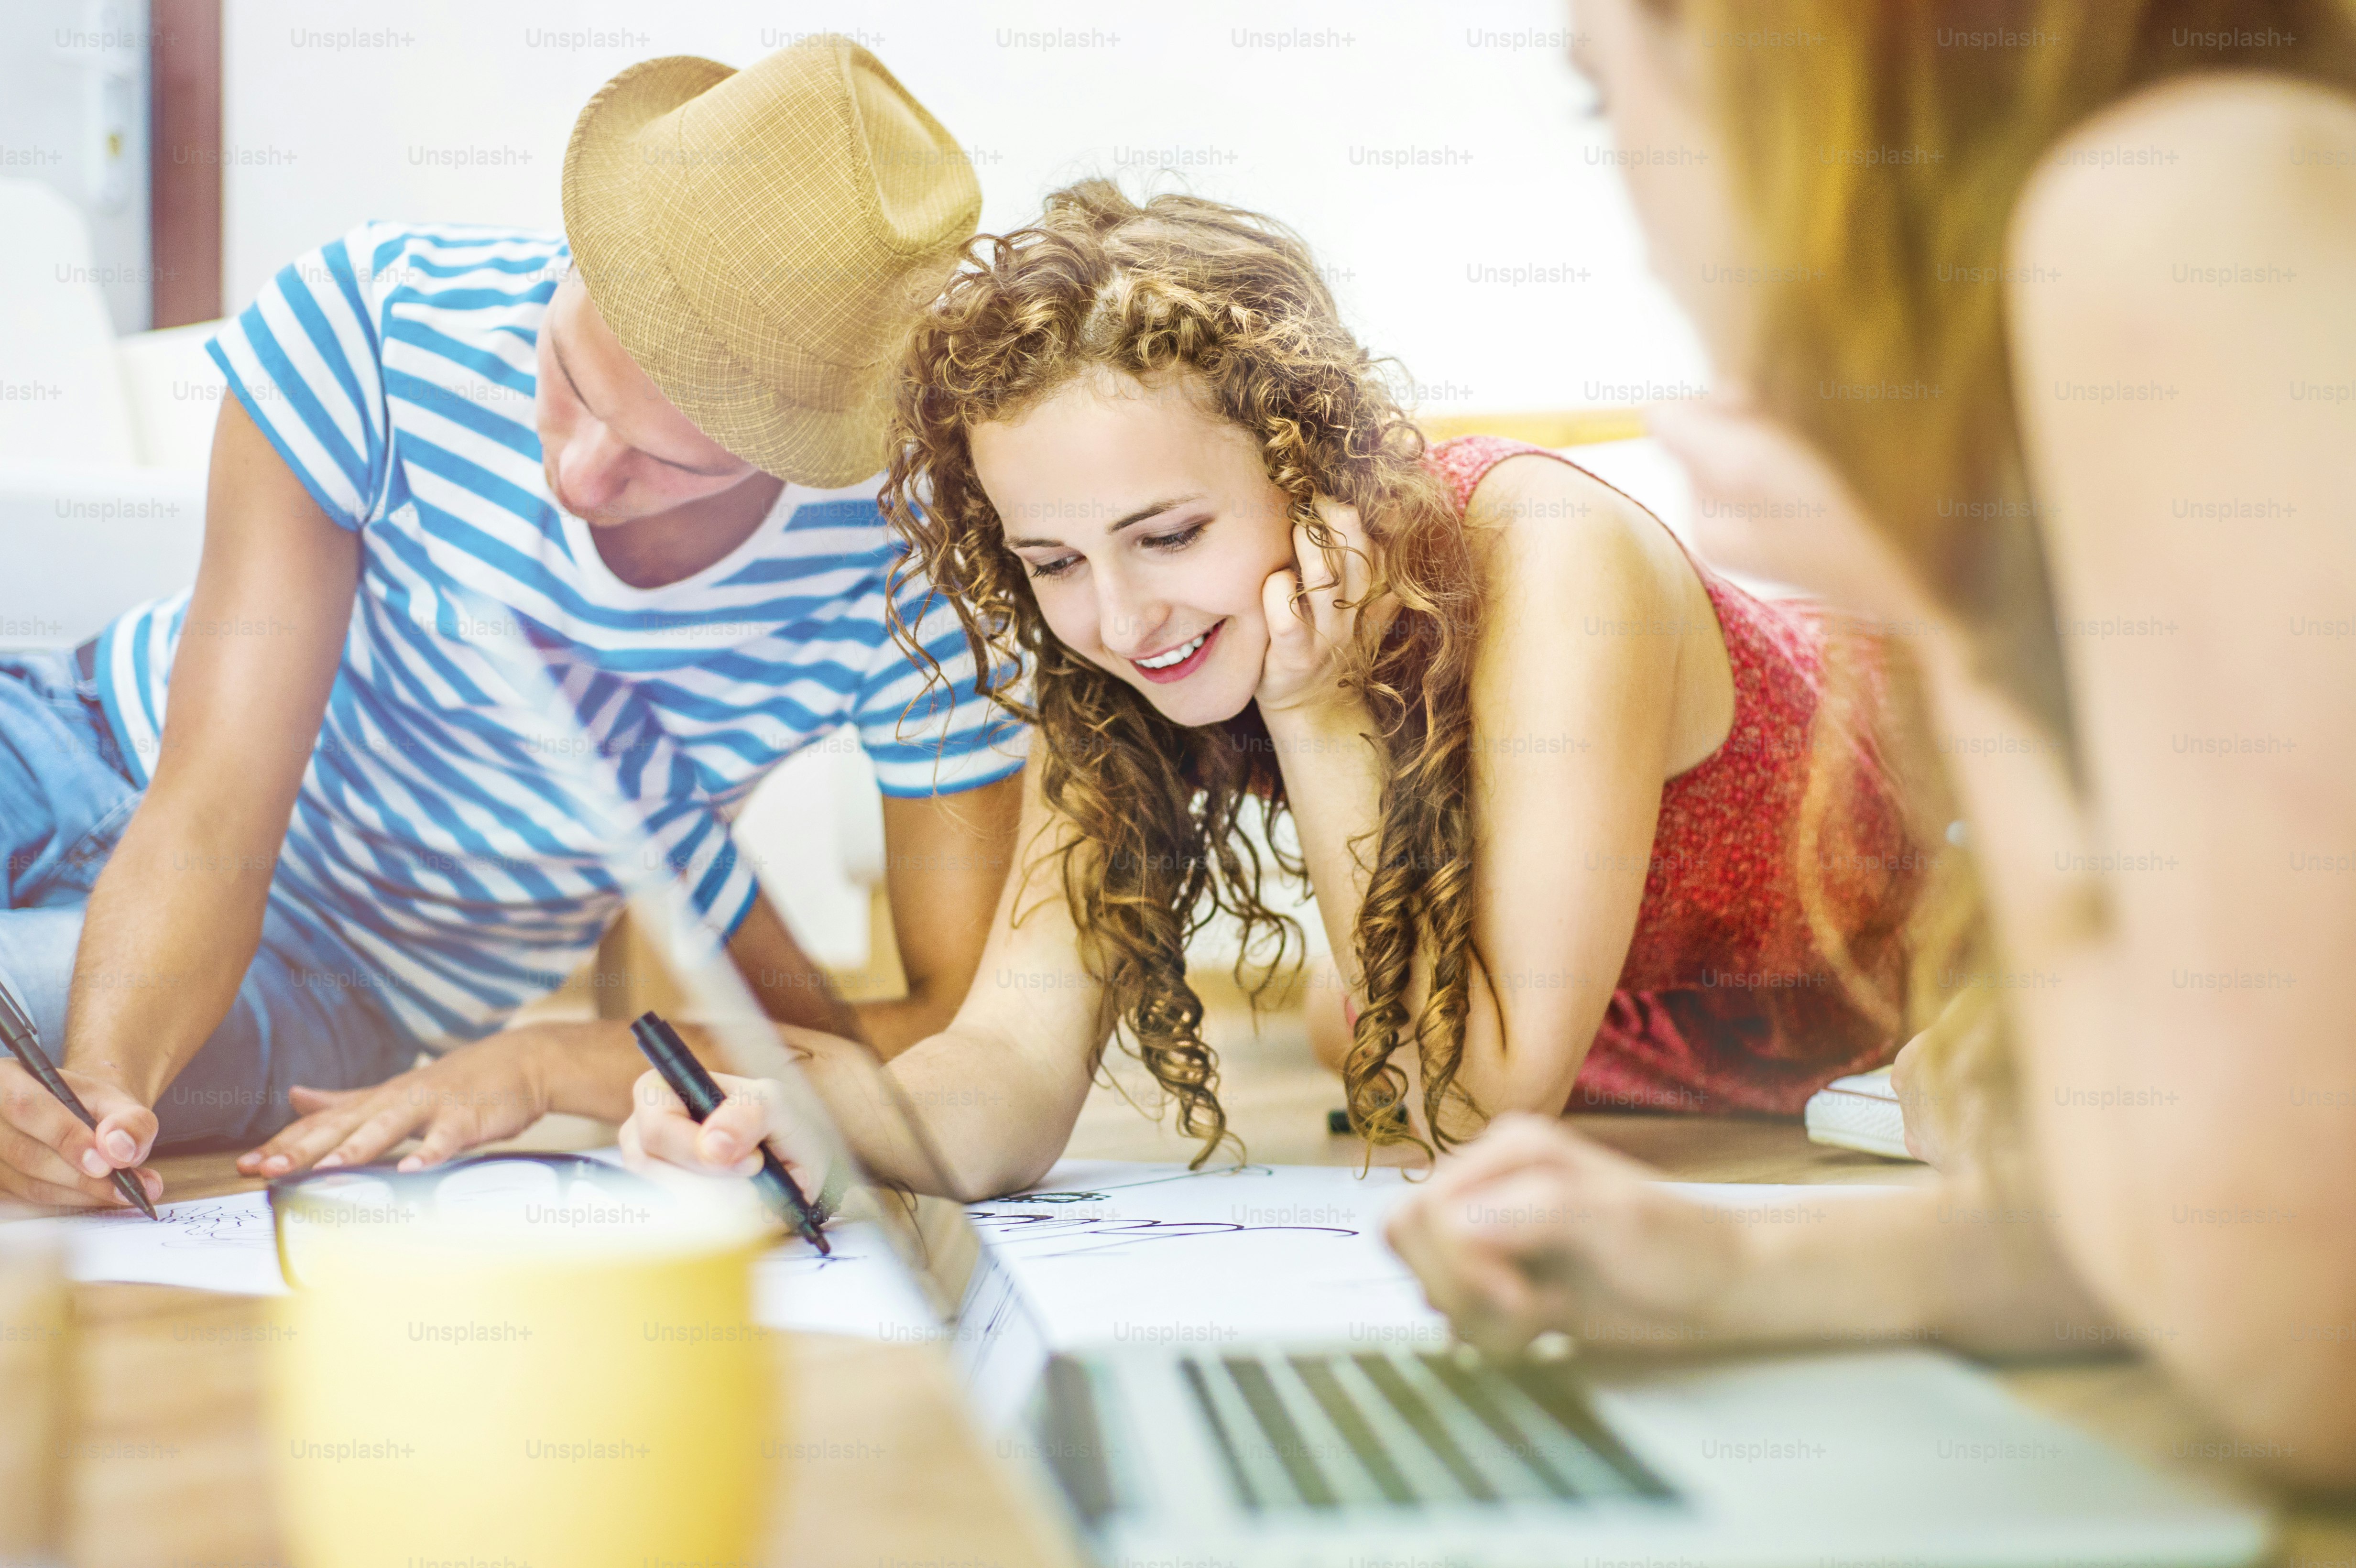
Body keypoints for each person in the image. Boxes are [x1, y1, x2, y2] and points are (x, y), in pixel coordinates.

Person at [1384, 0, 2356, 1486]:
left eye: (1606, 100)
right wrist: (1750, 1277)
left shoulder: (2183, 211)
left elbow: (2296, 1326)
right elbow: (2194, 1191)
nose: (1645, 201)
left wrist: (1932, 590)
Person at [623, 179, 1949, 1199]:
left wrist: (1314, 716)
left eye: (1168, 535)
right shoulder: (1127, 656)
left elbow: (1469, 1115)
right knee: (1351, 1022)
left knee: (1399, 1034)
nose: (1124, 618)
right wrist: (808, 1114)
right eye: (1053, 561)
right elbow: (1005, 1077)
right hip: (1653, 1011)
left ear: (1311, 468)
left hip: (1930, 919)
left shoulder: (1556, 559)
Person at [0, 38, 1023, 1211]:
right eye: (568, 378)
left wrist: (568, 1065)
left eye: (671, 459)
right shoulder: (372, 319)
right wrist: (103, 1077)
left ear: (814, 447)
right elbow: (216, 801)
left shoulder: (919, 570)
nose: (582, 479)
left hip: (343, 971)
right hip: (67, 737)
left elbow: (950, 1033)